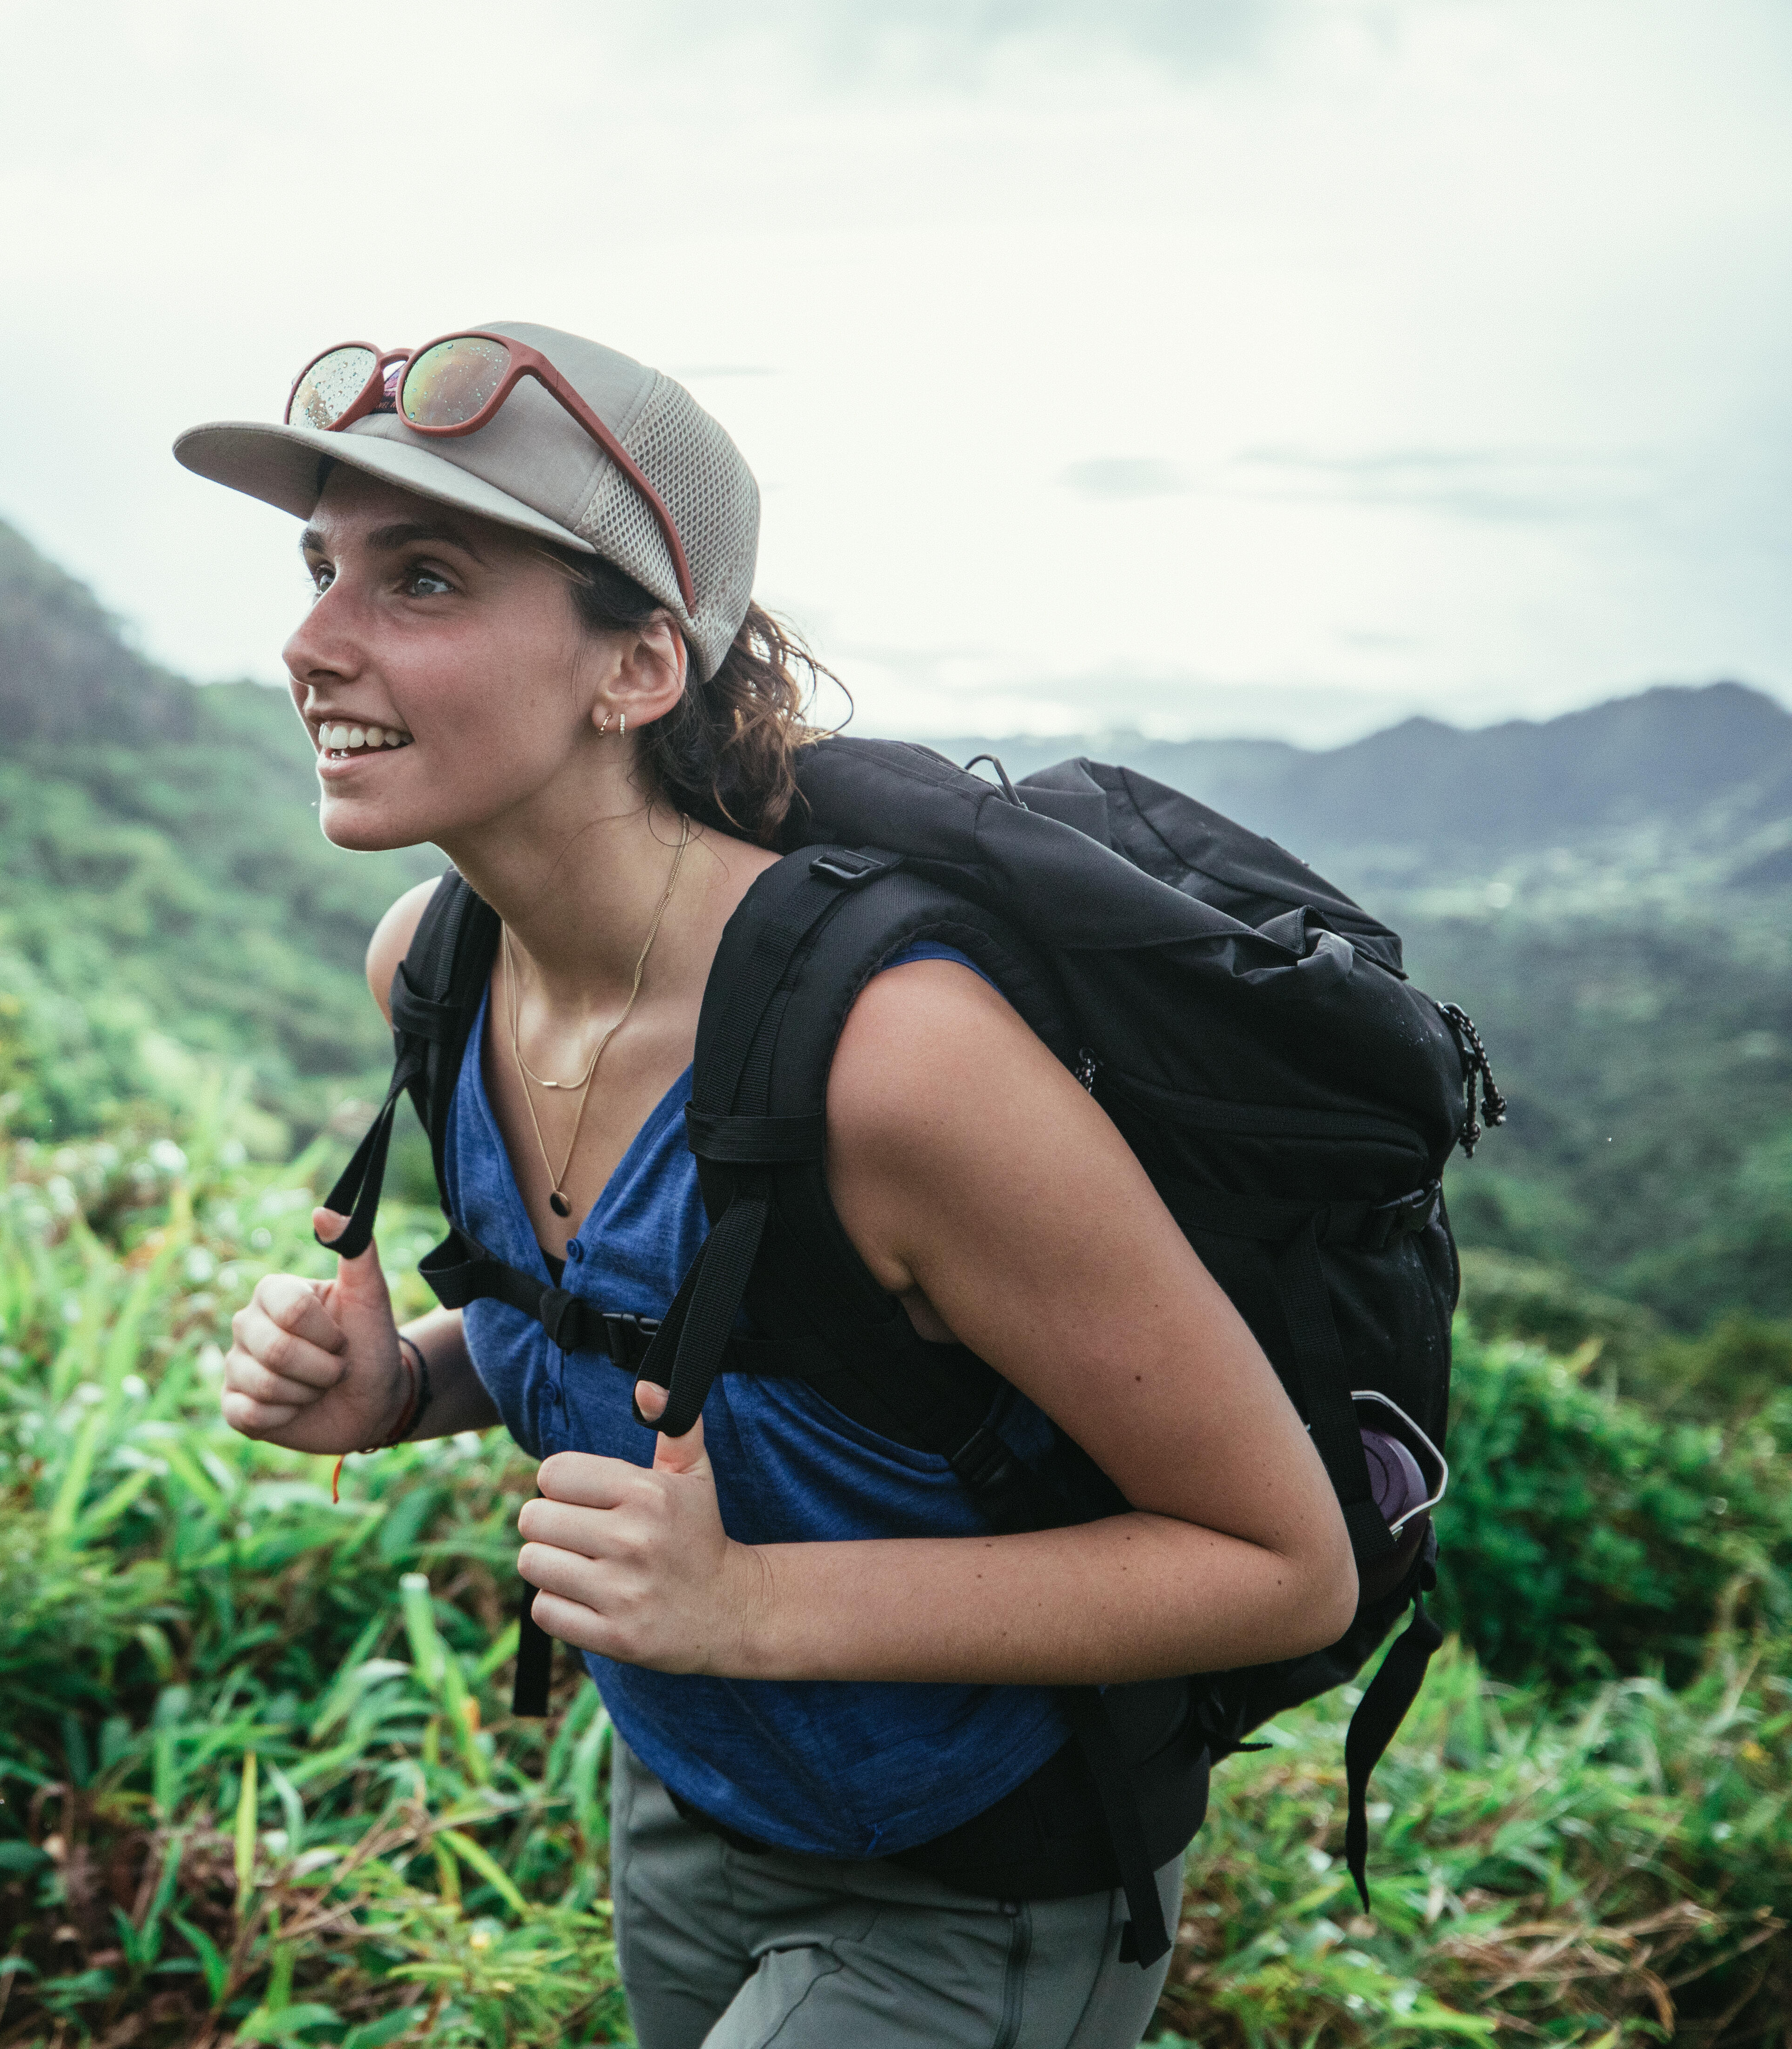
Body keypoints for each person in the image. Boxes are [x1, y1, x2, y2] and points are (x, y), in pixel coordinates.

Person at [173, 325, 1358, 2049]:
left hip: (979, 1879)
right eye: (320, 568)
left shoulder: (897, 1061)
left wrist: (744, 1609)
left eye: (420, 580)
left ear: (639, 665)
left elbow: (1277, 1561)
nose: (310, 641)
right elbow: (686, 1333)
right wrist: (408, 1380)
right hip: (686, 1816)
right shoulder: (432, 967)